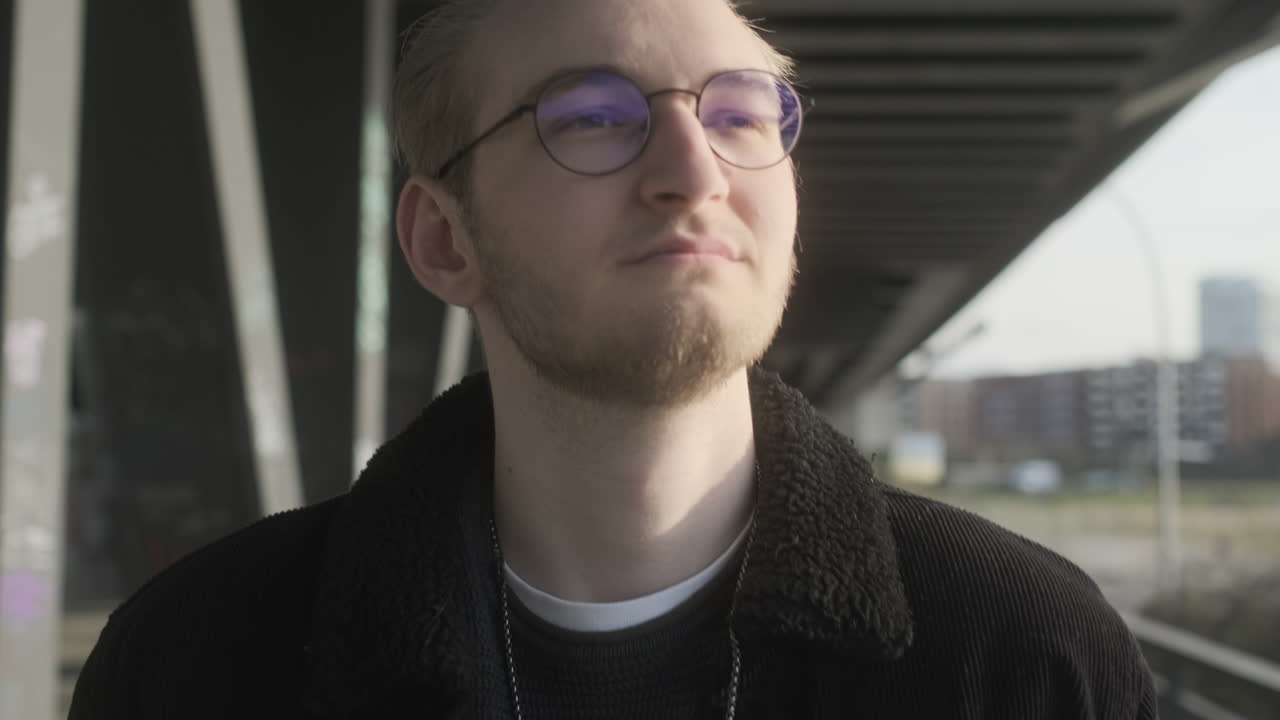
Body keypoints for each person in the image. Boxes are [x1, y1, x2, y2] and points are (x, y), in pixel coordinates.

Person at [71, 0, 1158, 717]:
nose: (694, 170)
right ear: (445, 239)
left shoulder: (1016, 655)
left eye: (739, 113)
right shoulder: (203, 664)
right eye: (590, 117)